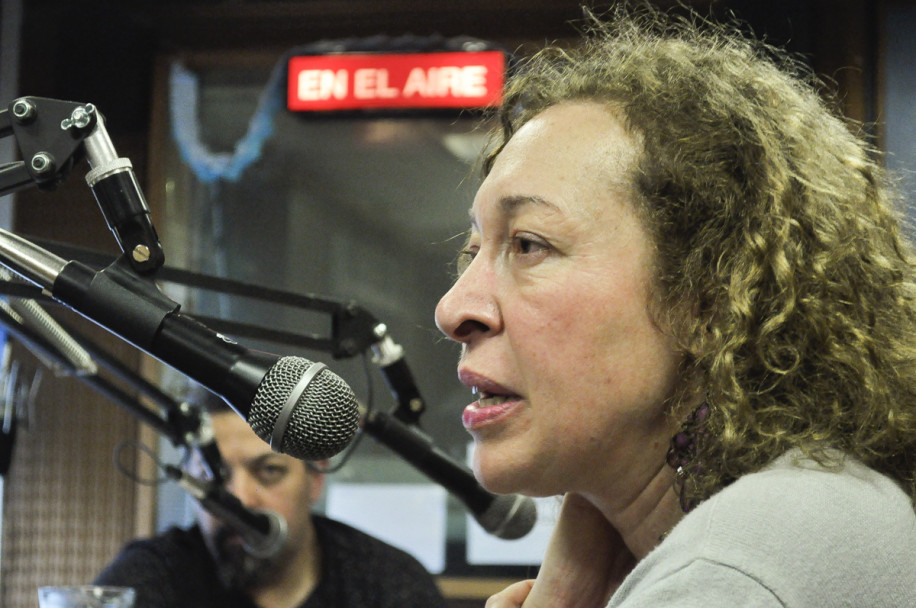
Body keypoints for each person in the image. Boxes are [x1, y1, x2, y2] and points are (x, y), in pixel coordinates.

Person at [434, 6, 916, 607]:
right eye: (474, 250)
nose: (454, 309)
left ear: (710, 297)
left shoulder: (733, 573)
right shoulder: (816, 509)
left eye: (529, 244)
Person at [94, 385, 448, 608]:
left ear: (314, 479)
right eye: (214, 478)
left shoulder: (384, 583)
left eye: (269, 472)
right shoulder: (152, 576)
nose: (241, 500)